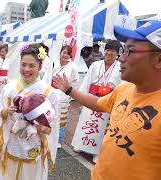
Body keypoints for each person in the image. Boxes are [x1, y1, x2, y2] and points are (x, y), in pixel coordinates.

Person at [53, 20, 161, 180]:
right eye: (122, 50)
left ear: (158, 60)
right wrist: (69, 89)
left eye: (129, 51)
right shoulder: (125, 89)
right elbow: (97, 104)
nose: (121, 58)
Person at [0, 43, 60, 180]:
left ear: (40, 67)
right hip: (12, 141)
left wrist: (42, 127)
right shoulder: (9, 88)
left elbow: (53, 124)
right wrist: (5, 112)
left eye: (32, 66)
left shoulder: (48, 93)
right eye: (23, 64)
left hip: (34, 143)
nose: (26, 69)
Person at [71, 40, 122, 162]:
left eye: (113, 51)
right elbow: (86, 82)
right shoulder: (96, 65)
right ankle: (80, 145)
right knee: (86, 123)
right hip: (92, 98)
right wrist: (82, 99)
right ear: (104, 51)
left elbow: (122, 86)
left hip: (108, 101)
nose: (109, 53)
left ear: (117, 54)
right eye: (108, 50)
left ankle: (97, 152)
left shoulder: (120, 67)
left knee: (102, 128)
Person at [43, 45, 79, 148]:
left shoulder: (73, 67)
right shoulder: (53, 63)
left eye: (68, 53)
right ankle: (47, 135)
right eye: (63, 52)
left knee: (61, 118)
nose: (65, 55)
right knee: (49, 115)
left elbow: (75, 82)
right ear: (60, 52)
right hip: (51, 93)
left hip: (63, 95)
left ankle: (58, 139)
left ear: (70, 55)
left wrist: (69, 92)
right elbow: (47, 77)